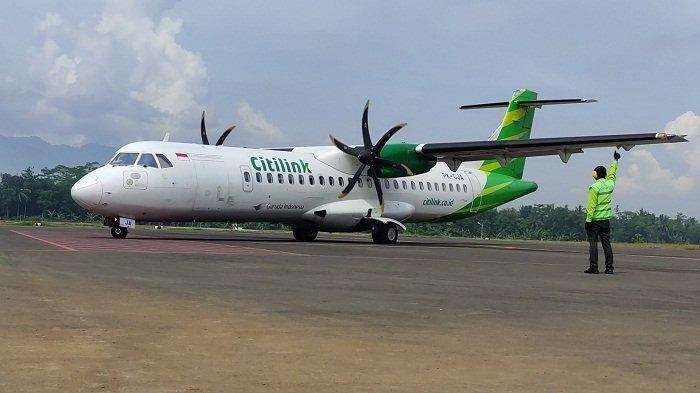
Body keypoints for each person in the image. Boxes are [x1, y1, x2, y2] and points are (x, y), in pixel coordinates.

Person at [584, 150, 620, 275]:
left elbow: (591, 206)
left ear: (595, 174)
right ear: (604, 174)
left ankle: (594, 267)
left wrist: (588, 220)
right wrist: (615, 161)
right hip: (605, 221)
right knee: (606, 244)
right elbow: (612, 175)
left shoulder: (594, 188)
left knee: (593, 244)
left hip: (594, 221)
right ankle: (609, 268)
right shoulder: (610, 184)